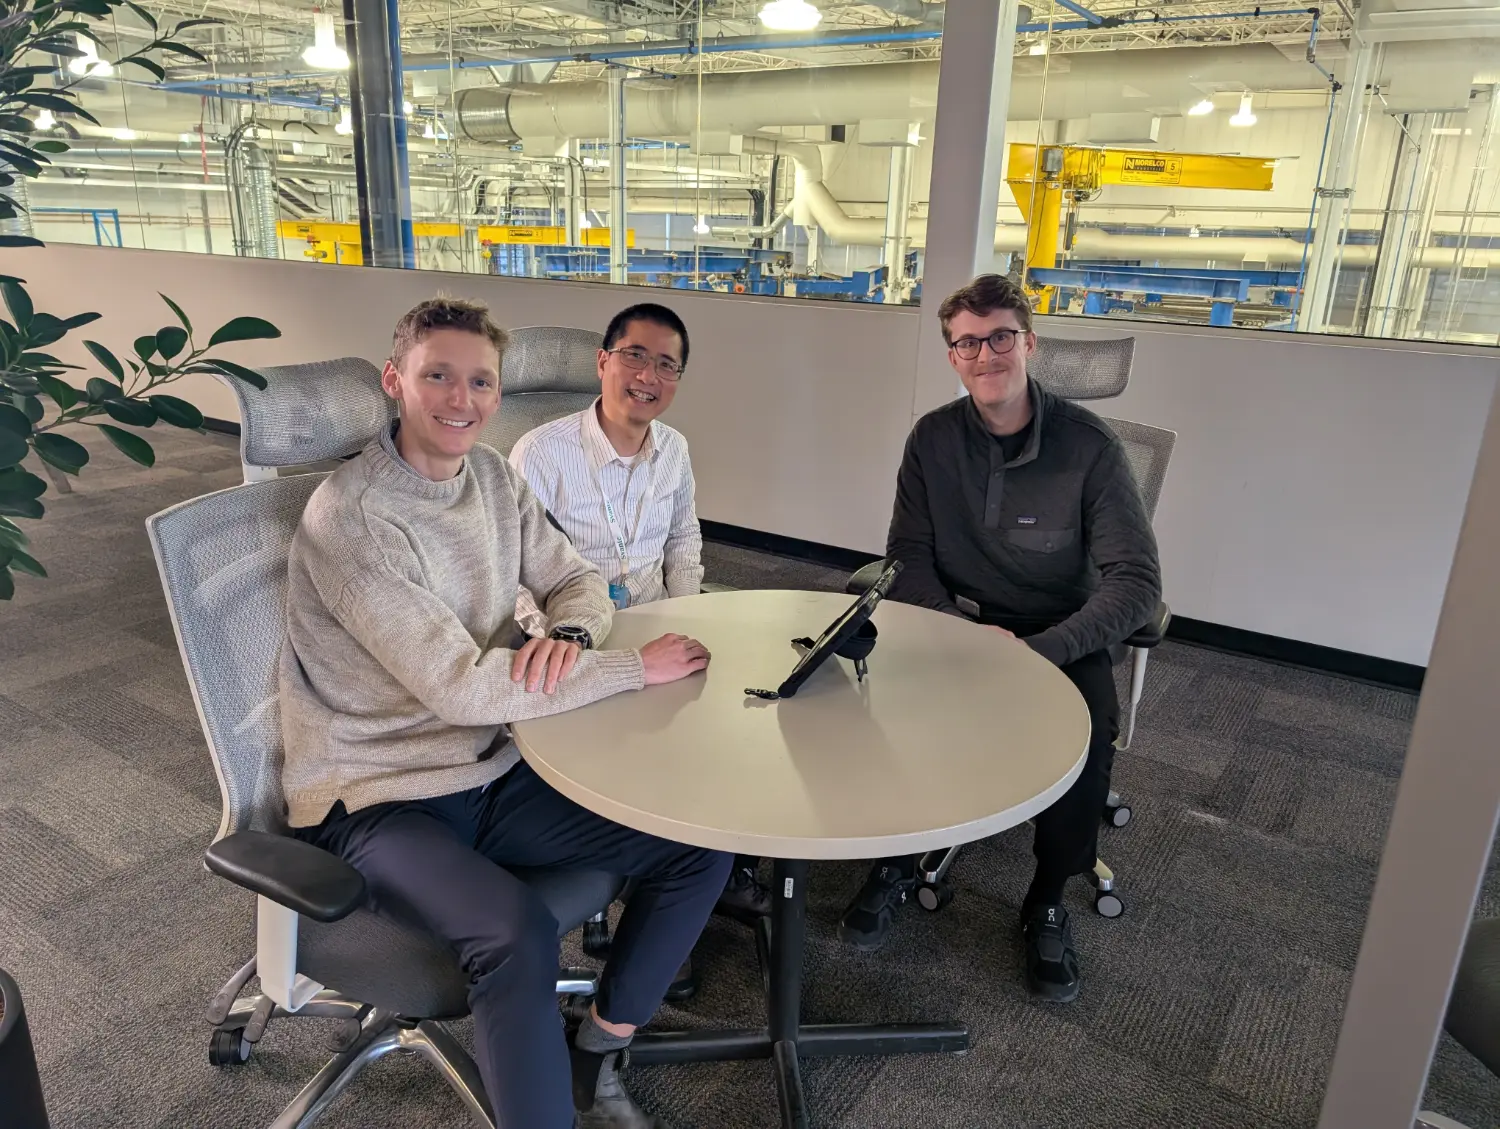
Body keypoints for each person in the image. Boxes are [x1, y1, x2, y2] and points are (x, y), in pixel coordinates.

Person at [279, 295, 732, 1129]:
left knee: (698, 844)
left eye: (480, 380)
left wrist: (568, 632)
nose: (461, 398)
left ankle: (596, 1047)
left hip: (491, 763)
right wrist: (626, 667)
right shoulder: (354, 517)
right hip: (379, 794)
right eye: (438, 376)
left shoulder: (491, 475)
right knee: (514, 931)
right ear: (395, 381)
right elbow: (457, 685)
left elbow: (578, 579)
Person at [837, 274, 1161, 1003]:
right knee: (881, 712)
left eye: (1001, 337)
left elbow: (1136, 582)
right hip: (955, 622)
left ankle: (1046, 896)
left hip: (1059, 638)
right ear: (953, 356)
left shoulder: (1090, 447)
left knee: (1087, 736)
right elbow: (906, 556)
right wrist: (960, 634)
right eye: (968, 343)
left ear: (1029, 344)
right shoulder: (932, 440)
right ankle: (894, 856)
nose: (986, 355)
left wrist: (1039, 652)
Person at [509, 301, 771, 925]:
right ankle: (649, 895)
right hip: (577, 640)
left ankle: (711, 861)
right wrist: (557, 641)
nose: (647, 376)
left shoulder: (673, 449)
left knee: (737, 717)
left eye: (666, 365)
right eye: (634, 356)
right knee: (624, 763)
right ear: (603, 362)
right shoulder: (538, 454)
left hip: (658, 623)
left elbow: (684, 539)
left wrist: (690, 618)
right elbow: (512, 572)